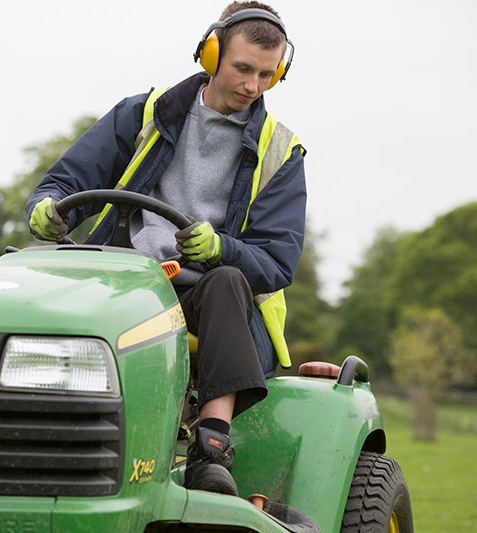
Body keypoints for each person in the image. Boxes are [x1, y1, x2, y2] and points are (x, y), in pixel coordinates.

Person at [25, 1, 306, 496]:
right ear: (211, 54)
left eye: (267, 75)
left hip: (211, 301)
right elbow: (66, 181)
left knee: (227, 279)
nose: (252, 86)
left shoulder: (282, 151)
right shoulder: (144, 114)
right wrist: (45, 208)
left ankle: (211, 448)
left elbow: (277, 262)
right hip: (126, 280)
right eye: (243, 68)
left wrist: (221, 248)